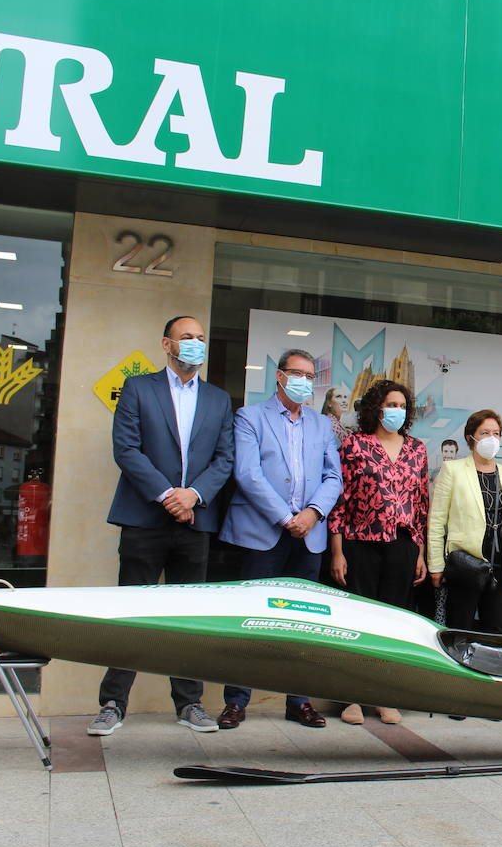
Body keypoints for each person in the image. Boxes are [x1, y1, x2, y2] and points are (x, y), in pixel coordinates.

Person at [87, 315, 234, 736]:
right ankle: (113, 703)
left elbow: (225, 458)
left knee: (189, 617)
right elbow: (126, 448)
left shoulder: (219, 399)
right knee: (131, 612)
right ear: (167, 344)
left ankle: (189, 704)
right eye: (187, 338)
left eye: (201, 338)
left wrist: (194, 495)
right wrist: (170, 495)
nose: (196, 345)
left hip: (196, 519)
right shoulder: (138, 387)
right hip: (145, 517)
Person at [217, 349, 342, 730]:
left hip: (309, 536)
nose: (305, 380)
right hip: (264, 533)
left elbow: (333, 477)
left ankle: (298, 700)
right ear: (280, 376)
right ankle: (237, 701)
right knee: (251, 620)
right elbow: (248, 474)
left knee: (302, 623)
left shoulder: (322, 425)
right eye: (297, 373)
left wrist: (313, 513)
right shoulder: (250, 417)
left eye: (310, 375)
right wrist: (287, 517)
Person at [328, 379, 429, 724]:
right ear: (376, 408)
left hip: (402, 545)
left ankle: (385, 697)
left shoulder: (417, 449)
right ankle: (352, 698)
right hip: (360, 543)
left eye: (402, 406)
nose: (396, 411)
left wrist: (420, 553)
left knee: (392, 623)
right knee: (357, 621)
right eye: (391, 404)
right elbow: (339, 501)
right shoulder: (356, 445)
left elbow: (422, 506)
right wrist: (337, 551)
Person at [428, 410, 502, 632]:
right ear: (471, 437)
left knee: (494, 631)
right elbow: (437, 521)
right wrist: (436, 566)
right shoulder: (452, 470)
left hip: (499, 568)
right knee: (459, 629)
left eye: (496, 433)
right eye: (485, 432)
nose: (492, 438)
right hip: (465, 566)